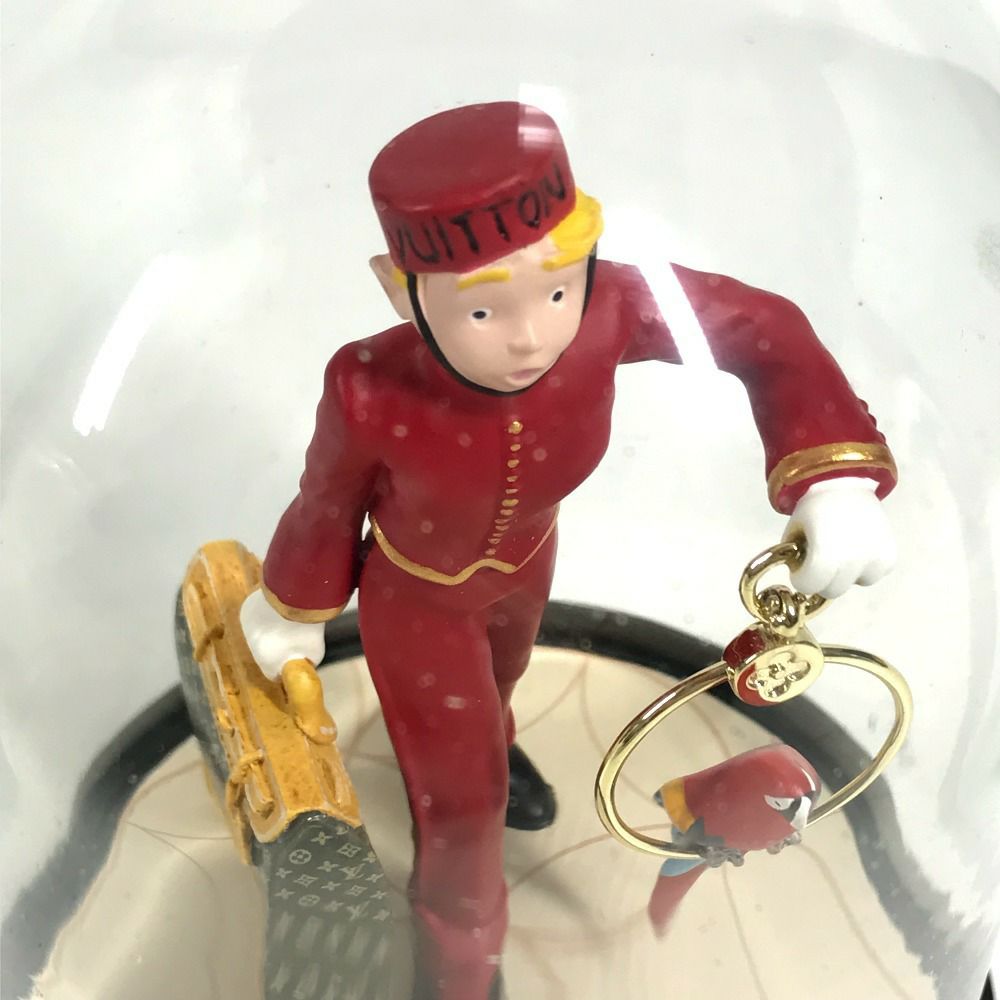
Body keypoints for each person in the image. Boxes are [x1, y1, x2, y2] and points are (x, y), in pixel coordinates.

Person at [239, 102, 897, 1000]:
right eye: (481, 308)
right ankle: (460, 964)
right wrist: (292, 605)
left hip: (529, 564)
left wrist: (833, 477)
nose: (528, 336)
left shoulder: (612, 306)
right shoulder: (367, 389)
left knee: (501, 688)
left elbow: (763, 329)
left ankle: (496, 744)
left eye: (555, 291)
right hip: (418, 600)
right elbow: (327, 501)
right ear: (401, 292)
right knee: (462, 812)